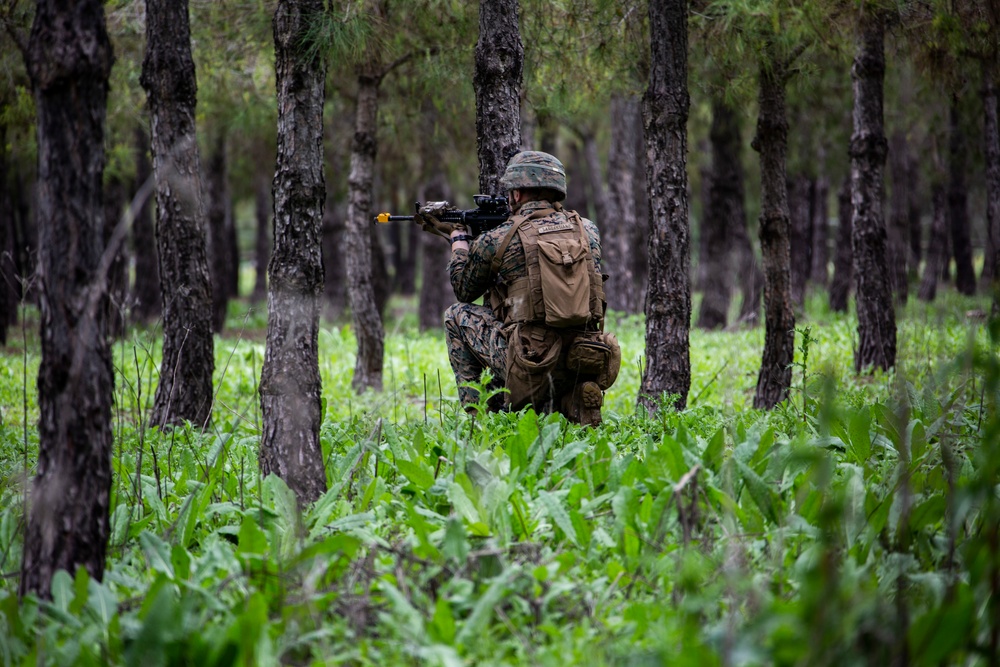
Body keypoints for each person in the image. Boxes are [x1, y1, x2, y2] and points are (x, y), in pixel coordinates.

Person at [428, 151, 619, 426]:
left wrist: (459, 241)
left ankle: (480, 417)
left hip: (532, 360)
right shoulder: (588, 231)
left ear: (517, 193)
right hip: (583, 356)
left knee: (456, 315)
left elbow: (463, 289)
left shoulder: (499, 237)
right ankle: (570, 396)